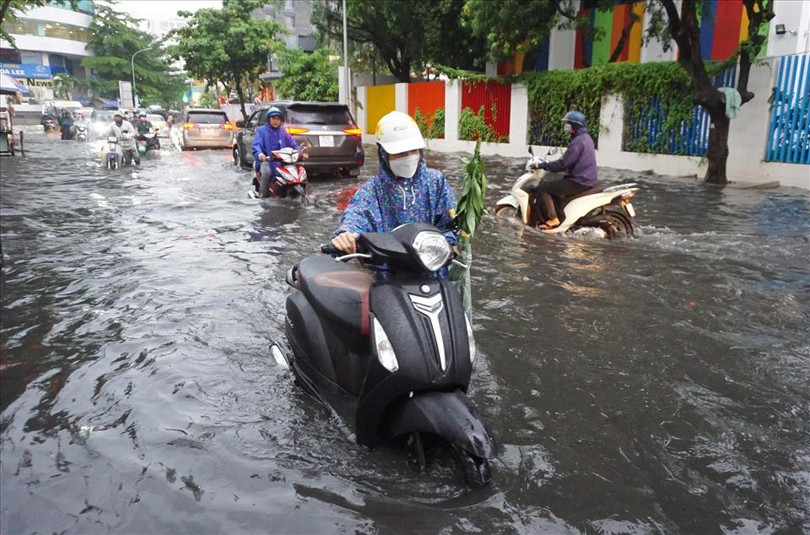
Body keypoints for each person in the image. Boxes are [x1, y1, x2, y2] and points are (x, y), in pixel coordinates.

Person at [331, 110, 457, 257]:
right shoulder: (372, 191)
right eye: (401, 153)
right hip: (387, 273)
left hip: (432, 268)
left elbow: (452, 222)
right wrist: (346, 235)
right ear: (384, 154)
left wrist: (453, 243)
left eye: (413, 151)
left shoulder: (435, 182)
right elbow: (356, 217)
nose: (409, 157)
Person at [532, 110, 598, 229]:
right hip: (587, 180)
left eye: (568, 124)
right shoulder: (586, 138)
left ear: (575, 126)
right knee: (556, 186)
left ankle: (553, 218)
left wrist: (543, 165)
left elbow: (563, 164)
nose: (566, 127)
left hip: (579, 181)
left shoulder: (577, 142)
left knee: (544, 186)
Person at [251, 107, 308, 195]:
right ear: (269, 119)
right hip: (267, 161)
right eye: (273, 118)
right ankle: (263, 196)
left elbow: (292, 143)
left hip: (282, 161)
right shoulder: (261, 131)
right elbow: (256, 146)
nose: (275, 121)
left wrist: (300, 152)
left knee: (298, 172)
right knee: (267, 173)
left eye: (278, 119)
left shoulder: (282, 131)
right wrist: (261, 155)